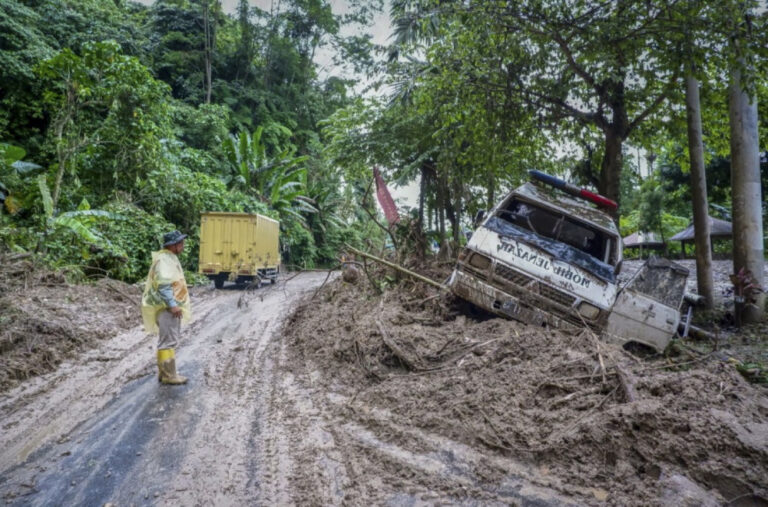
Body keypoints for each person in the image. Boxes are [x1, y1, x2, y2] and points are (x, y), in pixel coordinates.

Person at [141, 230, 191, 385]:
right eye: (180, 243)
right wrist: (173, 305)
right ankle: (169, 375)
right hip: (167, 308)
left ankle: (164, 373)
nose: (183, 246)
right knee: (168, 340)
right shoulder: (164, 260)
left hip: (166, 307)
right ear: (173, 245)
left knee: (166, 339)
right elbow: (164, 286)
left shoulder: (167, 258)